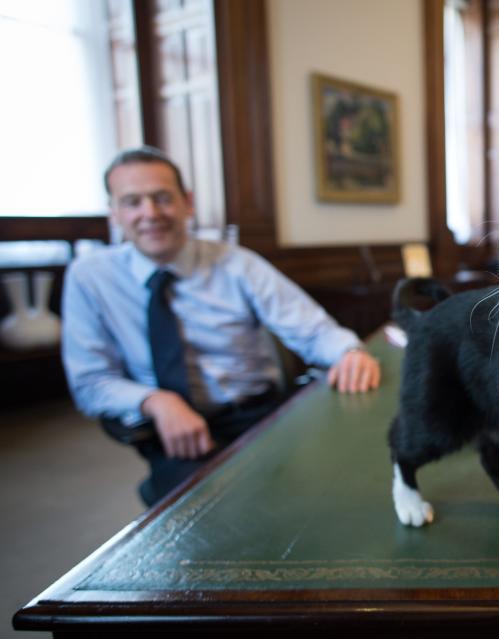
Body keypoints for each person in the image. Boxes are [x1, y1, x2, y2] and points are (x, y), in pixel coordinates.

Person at [62, 146, 381, 505]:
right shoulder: (89, 277)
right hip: (173, 433)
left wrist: (348, 351)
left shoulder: (237, 263)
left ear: (187, 202)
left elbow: (311, 329)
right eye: (132, 201)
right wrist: (155, 401)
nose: (149, 214)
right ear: (115, 213)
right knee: (202, 529)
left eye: (162, 198)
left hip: (261, 419)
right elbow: (89, 383)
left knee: (342, 491)